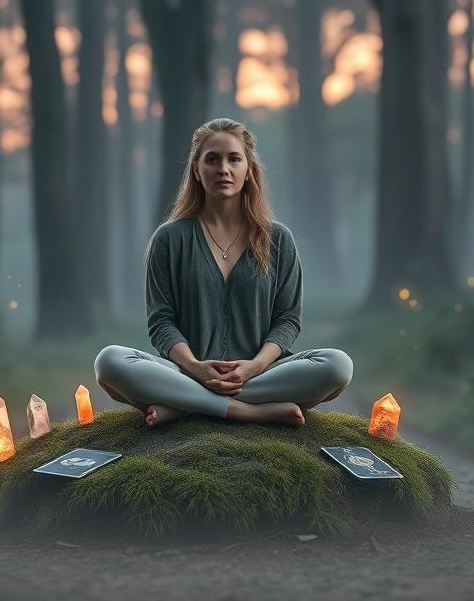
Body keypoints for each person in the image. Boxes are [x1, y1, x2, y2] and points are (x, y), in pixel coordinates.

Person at [94, 118, 353, 428]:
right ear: (196, 169)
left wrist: (253, 367)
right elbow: (161, 322)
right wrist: (195, 367)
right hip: (185, 372)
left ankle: (185, 405)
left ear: (249, 169)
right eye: (212, 159)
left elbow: (287, 320)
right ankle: (249, 411)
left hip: (261, 374)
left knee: (338, 365)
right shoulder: (169, 239)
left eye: (234, 159)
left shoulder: (278, 239)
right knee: (109, 361)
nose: (223, 169)